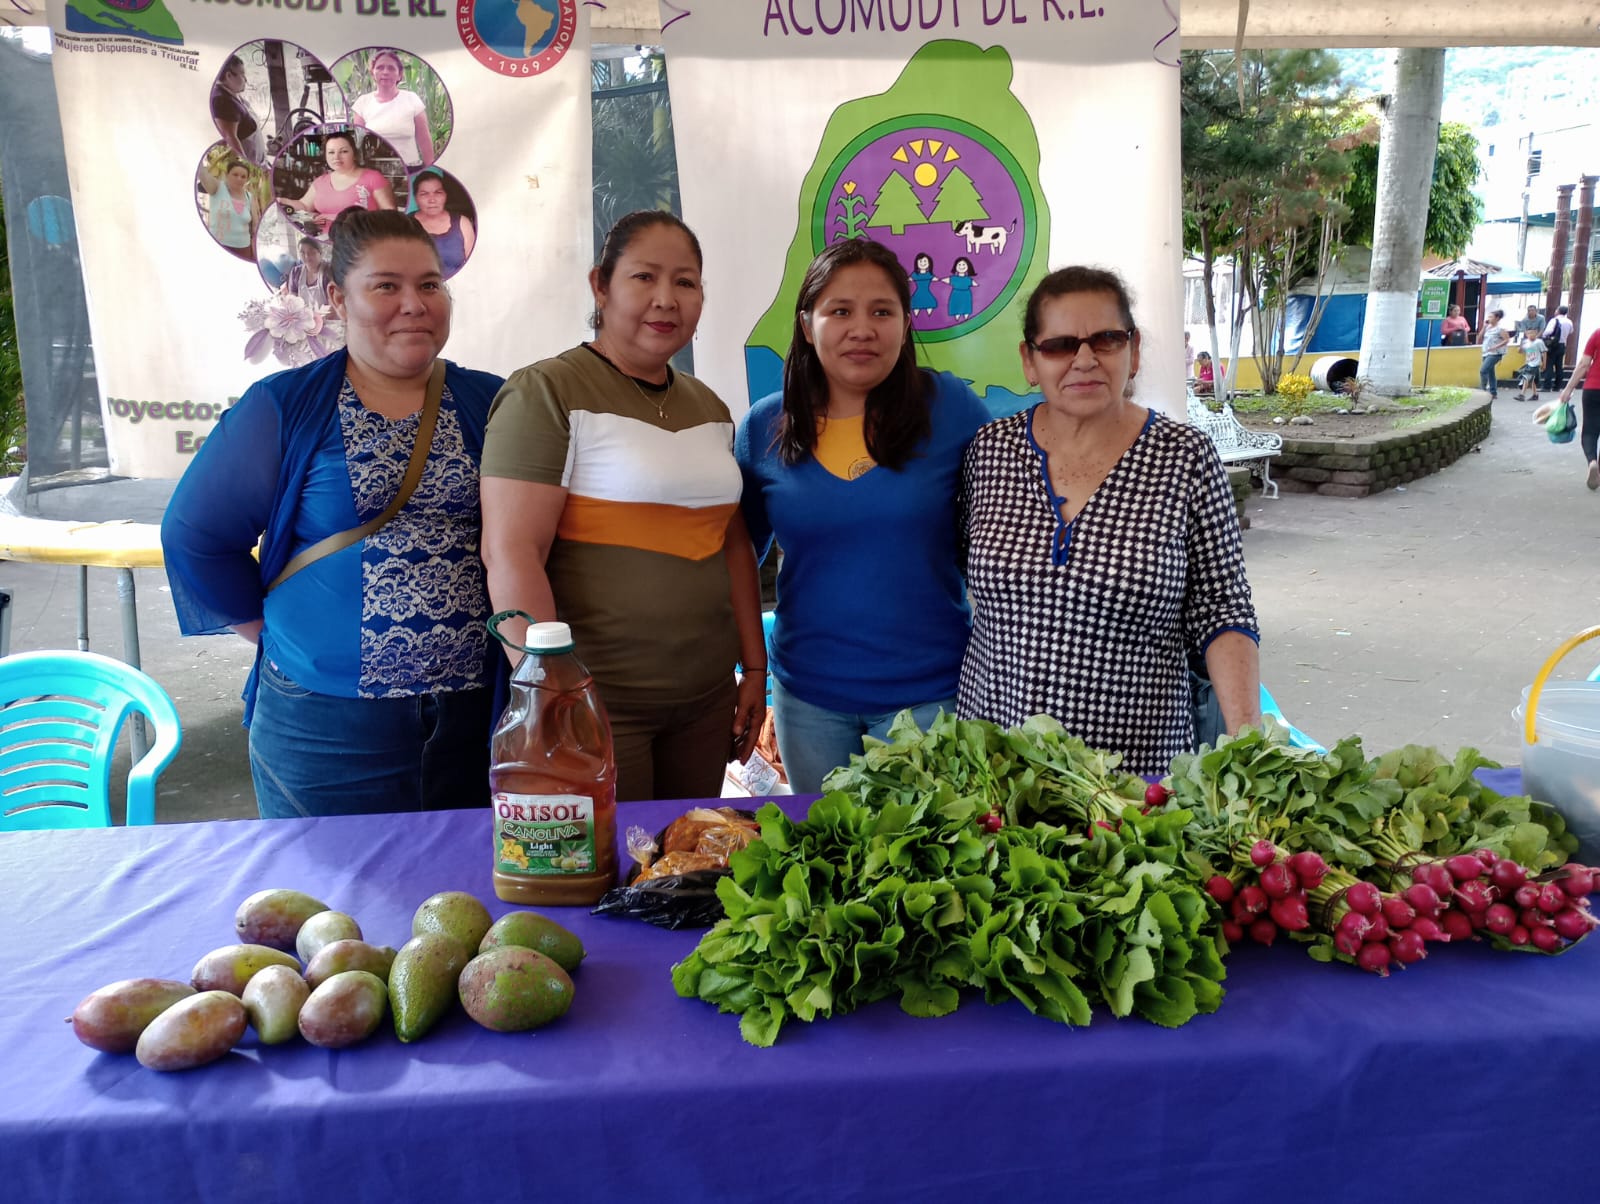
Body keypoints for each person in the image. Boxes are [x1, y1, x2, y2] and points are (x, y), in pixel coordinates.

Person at [161, 209, 505, 819]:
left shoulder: (489, 400)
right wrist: (270, 635)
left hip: (474, 719)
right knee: (326, 904)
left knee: (467, 901)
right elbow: (196, 537)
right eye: (385, 286)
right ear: (337, 300)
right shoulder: (287, 405)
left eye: (430, 284)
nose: (414, 303)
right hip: (324, 728)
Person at [479, 211, 766, 803]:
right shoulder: (547, 392)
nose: (666, 299)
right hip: (597, 706)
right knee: (609, 878)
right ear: (600, 286)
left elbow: (730, 544)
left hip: (705, 702)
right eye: (644, 277)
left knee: (684, 867)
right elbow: (510, 554)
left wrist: (753, 670)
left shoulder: (709, 407)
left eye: (685, 282)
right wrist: (550, 698)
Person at [957, 265, 1261, 775]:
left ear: (1133, 351)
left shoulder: (1184, 457)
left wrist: (1249, 744)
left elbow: (1222, 608)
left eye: (1106, 339)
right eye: (1058, 345)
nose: (1084, 360)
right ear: (1029, 361)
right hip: (997, 767)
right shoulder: (989, 453)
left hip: (1135, 777)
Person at [734, 239, 990, 793]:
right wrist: (749, 668)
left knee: (928, 863)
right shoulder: (764, 427)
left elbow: (1002, 535)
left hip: (932, 695)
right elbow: (736, 554)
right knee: (831, 856)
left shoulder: (951, 410)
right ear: (807, 324)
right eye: (840, 311)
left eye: (882, 311)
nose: (862, 328)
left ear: (905, 322)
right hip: (808, 700)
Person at [281, 130, 396, 235]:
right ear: (325, 155)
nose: (336, 157)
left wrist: (334, 217)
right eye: (331, 152)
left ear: (354, 154)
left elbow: (391, 216)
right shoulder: (320, 182)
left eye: (344, 151)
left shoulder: (373, 177)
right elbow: (304, 205)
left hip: (362, 241)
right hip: (324, 239)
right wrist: (282, 201)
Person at [349, 49, 434, 169]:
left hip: (410, 168)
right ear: (373, 73)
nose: (385, 72)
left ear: (399, 74)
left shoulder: (411, 99)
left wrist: (430, 168)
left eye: (391, 68)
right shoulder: (362, 103)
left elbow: (424, 139)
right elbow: (359, 143)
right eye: (380, 67)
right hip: (376, 171)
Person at [1552, 321, 1600, 492]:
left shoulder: (1597, 333)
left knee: (1590, 430)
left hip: (1593, 389)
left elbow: (1584, 364)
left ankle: (1592, 462)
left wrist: (1568, 389)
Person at [408, 169, 475, 278]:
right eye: (424, 194)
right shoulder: (404, 224)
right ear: (416, 198)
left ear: (446, 195)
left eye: (438, 193)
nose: (432, 200)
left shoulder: (462, 223)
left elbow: (473, 265)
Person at [198, 157, 260, 257]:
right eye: (235, 174)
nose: (239, 178)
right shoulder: (217, 187)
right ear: (227, 175)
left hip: (243, 249)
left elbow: (255, 225)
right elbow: (201, 172)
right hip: (218, 245)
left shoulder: (249, 197)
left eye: (243, 176)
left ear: (247, 179)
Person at [211, 55, 264, 164]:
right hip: (249, 165)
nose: (246, 79)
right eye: (242, 74)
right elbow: (230, 138)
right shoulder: (222, 101)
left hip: (257, 160)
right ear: (229, 75)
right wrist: (247, 168)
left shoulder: (232, 93)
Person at [279, 237, 331, 309]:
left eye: (311, 251)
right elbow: (293, 300)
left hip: (328, 318)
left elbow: (333, 305)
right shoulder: (296, 272)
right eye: (302, 252)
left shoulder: (329, 272)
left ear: (320, 253)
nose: (307, 256)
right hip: (304, 317)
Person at [1480, 309, 1511, 399]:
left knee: (1483, 370)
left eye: (1491, 317)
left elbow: (1506, 340)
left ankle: (1483, 390)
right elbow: (1480, 337)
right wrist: (1484, 327)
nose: (1489, 319)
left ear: (1497, 318)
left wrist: (1496, 346)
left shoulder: (1500, 329)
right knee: (1490, 372)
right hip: (1486, 352)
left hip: (1495, 353)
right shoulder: (1488, 328)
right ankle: (1493, 392)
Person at [1543, 304, 1574, 392]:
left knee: (1549, 365)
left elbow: (1548, 331)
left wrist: (1544, 336)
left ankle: (1547, 386)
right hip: (1562, 345)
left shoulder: (1554, 320)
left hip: (1553, 345)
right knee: (1559, 366)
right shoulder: (1569, 321)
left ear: (1558, 311)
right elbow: (1571, 331)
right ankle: (1557, 386)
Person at [1514, 327, 1544, 402]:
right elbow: (1520, 351)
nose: (1531, 335)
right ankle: (1535, 394)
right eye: (1529, 333)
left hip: (1535, 363)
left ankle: (1522, 394)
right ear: (1526, 334)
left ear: (1536, 333)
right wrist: (1520, 346)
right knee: (1532, 380)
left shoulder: (1539, 342)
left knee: (1526, 377)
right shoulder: (1526, 342)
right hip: (1529, 363)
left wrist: (1544, 363)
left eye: (1533, 333)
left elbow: (1544, 352)